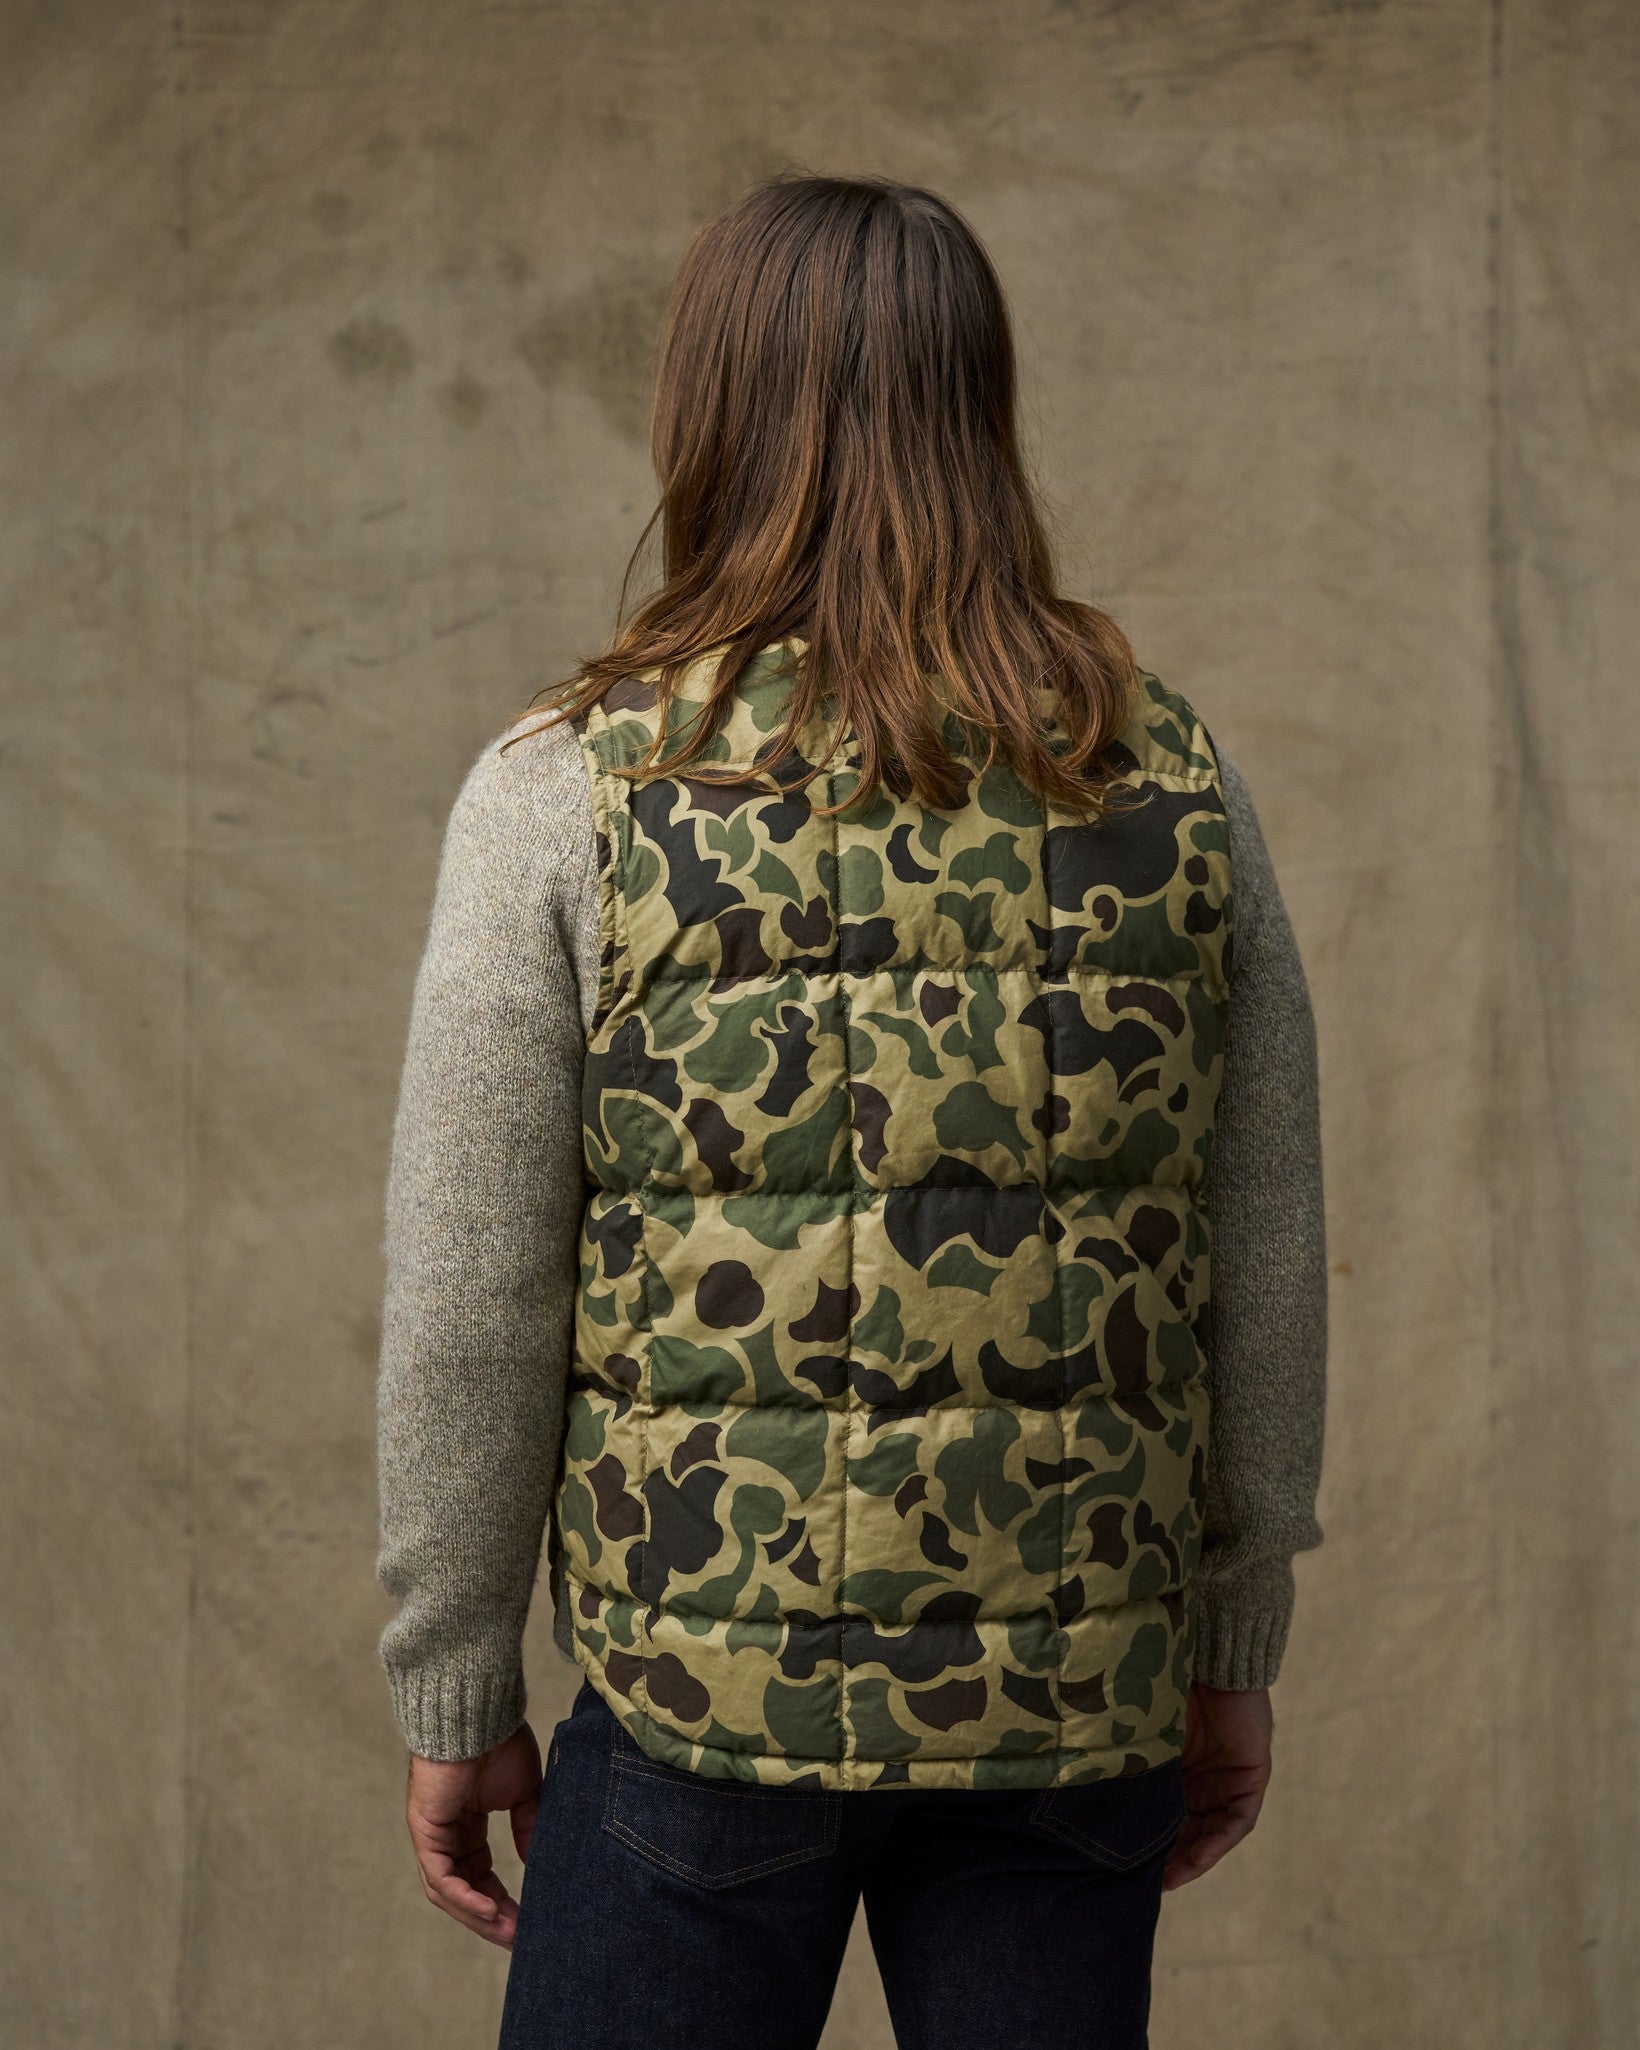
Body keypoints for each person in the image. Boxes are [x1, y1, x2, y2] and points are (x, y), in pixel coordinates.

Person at [375, 173, 1326, 2050]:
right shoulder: (1167, 774)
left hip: (699, 1717)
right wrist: (1230, 1636)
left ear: (704, 411)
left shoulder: (572, 784)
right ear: (980, 411)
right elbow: (1263, 1250)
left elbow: (472, 1290)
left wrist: (455, 1681)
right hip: (1072, 1715)